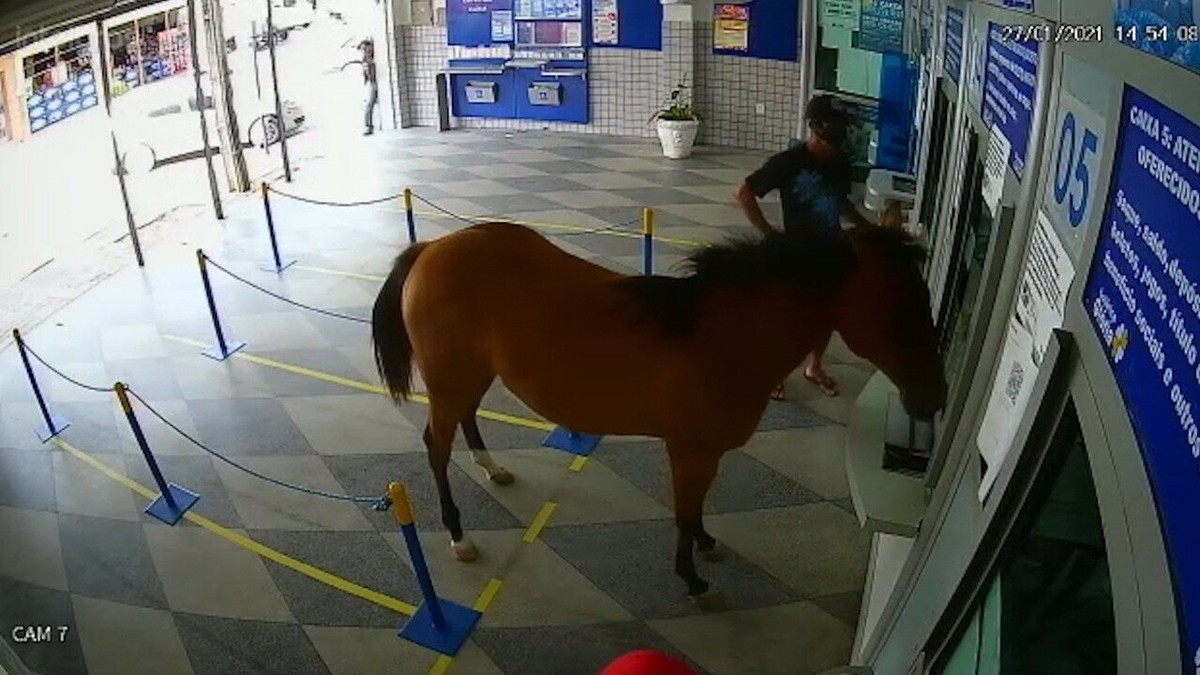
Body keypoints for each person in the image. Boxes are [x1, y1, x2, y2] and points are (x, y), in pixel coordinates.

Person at [735, 93, 875, 400]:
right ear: (814, 125)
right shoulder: (789, 162)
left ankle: (814, 366)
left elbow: (841, 204)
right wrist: (770, 233)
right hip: (796, 252)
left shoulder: (841, 163)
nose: (839, 130)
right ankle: (774, 371)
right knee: (787, 317)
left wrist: (869, 229)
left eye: (842, 124)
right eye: (832, 123)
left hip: (830, 250)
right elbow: (746, 193)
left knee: (826, 315)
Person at [357, 38, 378, 135]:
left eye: (368, 50)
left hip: (373, 84)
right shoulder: (366, 61)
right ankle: (368, 125)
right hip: (371, 84)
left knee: (369, 105)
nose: (366, 52)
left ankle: (369, 126)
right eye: (364, 50)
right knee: (369, 105)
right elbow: (369, 77)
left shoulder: (370, 60)